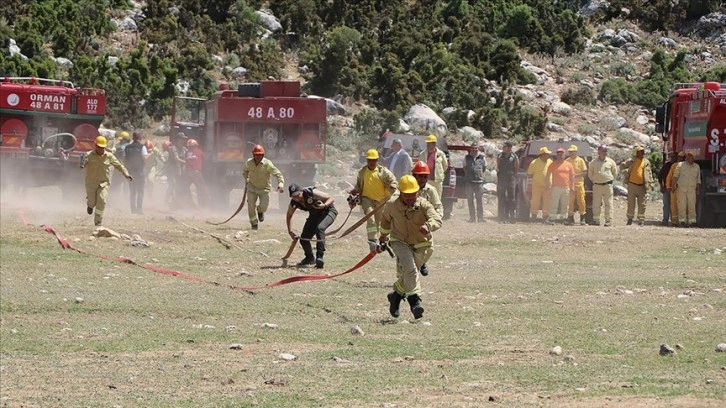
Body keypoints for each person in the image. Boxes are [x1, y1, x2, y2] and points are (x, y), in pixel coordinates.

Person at [379, 175, 442, 320]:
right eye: (407, 195)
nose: (410, 198)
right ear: (400, 193)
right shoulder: (392, 205)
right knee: (411, 270)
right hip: (400, 242)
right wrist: (383, 236)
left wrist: (429, 226)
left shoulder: (424, 204)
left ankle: (395, 296)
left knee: (409, 274)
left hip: (422, 244)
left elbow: (437, 219)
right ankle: (415, 303)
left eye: (413, 194)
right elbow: (385, 221)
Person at [348, 149, 398, 249]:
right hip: (367, 199)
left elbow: (393, 181)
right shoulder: (362, 172)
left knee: (380, 222)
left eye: (374, 160)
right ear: (367, 160)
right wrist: (354, 190)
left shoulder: (383, 172)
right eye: (369, 160)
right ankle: (372, 240)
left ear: (377, 160)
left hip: (381, 201)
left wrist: (391, 188)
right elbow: (359, 185)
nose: (371, 162)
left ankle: (381, 241)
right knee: (370, 217)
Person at [81, 135, 132, 226]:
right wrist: (81, 162)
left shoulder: (109, 156)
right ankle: (90, 205)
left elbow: (119, 166)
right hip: (91, 183)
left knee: (102, 200)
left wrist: (126, 174)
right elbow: (81, 166)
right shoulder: (88, 155)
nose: (100, 149)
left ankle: (98, 222)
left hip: (104, 183)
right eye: (99, 147)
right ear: (95, 146)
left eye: (102, 147)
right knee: (92, 202)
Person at [286, 184, 338, 268]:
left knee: (320, 229)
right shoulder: (294, 202)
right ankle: (309, 258)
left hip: (328, 211)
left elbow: (331, 198)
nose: (296, 198)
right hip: (314, 215)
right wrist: (290, 230)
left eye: (297, 195)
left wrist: (324, 205)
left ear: (301, 191)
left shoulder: (311, 192)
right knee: (304, 238)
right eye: (293, 196)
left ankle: (319, 257)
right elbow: (289, 215)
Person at [411, 161, 442, 277]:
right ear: (414, 176)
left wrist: (434, 220)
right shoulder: (408, 188)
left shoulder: (431, 191)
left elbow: (438, 207)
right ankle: (408, 276)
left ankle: (421, 263)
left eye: (425, 176)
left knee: (429, 249)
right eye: (419, 176)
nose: (422, 179)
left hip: (424, 226)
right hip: (408, 225)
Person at [243, 144, 284, 230]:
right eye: (256, 155)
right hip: (252, 188)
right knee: (250, 206)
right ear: (253, 155)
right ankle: (254, 224)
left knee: (264, 206)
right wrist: (246, 179)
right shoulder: (249, 163)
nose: (258, 157)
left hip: (264, 188)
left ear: (263, 155)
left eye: (260, 155)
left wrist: (280, 184)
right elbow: (245, 171)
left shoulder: (267, 164)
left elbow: (278, 173)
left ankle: (260, 211)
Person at [587, 145, 618, 226]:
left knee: (608, 203)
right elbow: (590, 174)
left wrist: (609, 180)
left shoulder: (611, 162)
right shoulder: (593, 163)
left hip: (608, 186)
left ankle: (608, 220)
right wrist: (596, 180)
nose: (605, 153)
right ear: (599, 152)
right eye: (603, 151)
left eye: (606, 151)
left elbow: (615, 173)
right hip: (597, 186)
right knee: (596, 204)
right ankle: (596, 220)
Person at [623, 146, 654, 226]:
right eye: (640, 152)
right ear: (637, 153)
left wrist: (651, 183)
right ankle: (630, 219)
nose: (642, 153)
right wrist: (625, 172)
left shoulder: (646, 162)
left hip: (642, 186)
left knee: (642, 204)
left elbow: (649, 173)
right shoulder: (632, 161)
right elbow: (622, 166)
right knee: (631, 203)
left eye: (643, 152)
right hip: (632, 185)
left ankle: (641, 220)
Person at [545, 148, 575, 225]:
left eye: (561, 154)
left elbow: (572, 176)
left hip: (566, 188)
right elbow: (548, 175)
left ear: (564, 155)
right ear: (556, 155)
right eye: (558, 154)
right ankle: (552, 218)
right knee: (554, 203)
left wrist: (572, 186)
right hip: (555, 187)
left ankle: (564, 219)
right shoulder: (553, 164)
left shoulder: (569, 165)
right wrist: (547, 184)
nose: (560, 155)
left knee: (565, 204)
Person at [672, 151, 701, 227]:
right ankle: (682, 222)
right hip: (681, 189)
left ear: (693, 158)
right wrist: (673, 185)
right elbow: (675, 176)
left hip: (691, 190)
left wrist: (698, 189)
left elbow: (698, 180)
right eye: (688, 156)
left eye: (690, 156)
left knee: (692, 206)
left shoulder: (697, 167)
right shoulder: (680, 165)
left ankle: (692, 222)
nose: (688, 157)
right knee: (682, 206)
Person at [124, 132, 149, 214]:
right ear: (140, 138)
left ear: (133, 137)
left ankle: (132, 209)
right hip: (140, 172)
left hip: (130, 172)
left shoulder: (127, 147)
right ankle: (139, 208)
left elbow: (125, 159)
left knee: (132, 191)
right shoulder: (142, 147)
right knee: (140, 191)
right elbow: (145, 158)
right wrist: (151, 154)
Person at [418, 134, 448, 199]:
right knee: (425, 198)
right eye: (427, 143)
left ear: (434, 144)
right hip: (426, 180)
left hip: (437, 181)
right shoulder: (422, 154)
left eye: (430, 143)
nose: (428, 145)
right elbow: (419, 166)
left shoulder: (441, 154)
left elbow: (445, 166)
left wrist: (438, 173)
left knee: (437, 199)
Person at [527, 147, 552, 221]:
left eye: (548, 154)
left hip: (547, 186)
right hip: (536, 186)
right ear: (542, 154)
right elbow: (530, 174)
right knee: (535, 201)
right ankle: (534, 216)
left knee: (547, 201)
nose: (548, 156)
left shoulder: (550, 162)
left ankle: (546, 216)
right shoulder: (534, 162)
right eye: (547, 154)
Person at [497, 140, 519, 223]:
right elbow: (498, 165)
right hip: (502, 178)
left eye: (505, 147)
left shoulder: (514, 156)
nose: (503, 148)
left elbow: (516, 167)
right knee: (501, 198)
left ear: (510, 148)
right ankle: (501, 217)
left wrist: (513, 176)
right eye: (503, 147)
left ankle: (512, 217)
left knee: (511, 198)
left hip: (510, 178)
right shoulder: (500, 155)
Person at [464, 142, 486, 223]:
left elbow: (484, 168)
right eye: (473, 148)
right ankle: (472, 218)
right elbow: (464, 167)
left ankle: (481, 218)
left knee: (479, 200)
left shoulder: (482, 157)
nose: (474, 150)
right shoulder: (467, 157)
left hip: (478, 182)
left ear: (478, 149)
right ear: (471, 149)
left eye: (476, 148)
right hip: (469, 182)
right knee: (470, 200)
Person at [565, 144, 588, 225]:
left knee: (581, 201)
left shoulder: (580, 160)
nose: (571, 153)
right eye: (570, 152)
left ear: (576, 152)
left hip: (579, 184)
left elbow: (584, 172)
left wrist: (575, 176)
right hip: (570, 184)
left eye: (573, 152)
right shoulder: (567, 161)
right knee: (570, 201)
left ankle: (582, 218)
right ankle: (570, 218)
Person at [185, 138, 210, 209]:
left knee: (185, 189)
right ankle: (202, 206)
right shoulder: (199, 152)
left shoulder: (186, 153)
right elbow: (206, 158)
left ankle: (189, 205)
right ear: (196, 146)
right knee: (202, 190)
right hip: (196, 173)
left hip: (188, 173)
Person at [167, 132, 188, 206]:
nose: (183, 141)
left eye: (184, 139)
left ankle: (177, 203)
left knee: (179, 186)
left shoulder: (184, 149)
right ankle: (167, 202)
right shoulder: (173, 148)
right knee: (172, 185)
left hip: (179, 171)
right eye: (182, 139)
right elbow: (176, 159)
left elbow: (188, 156)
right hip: (172, 171)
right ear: (178, 139)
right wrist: (187, 163)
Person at [657, 152, 679, 226]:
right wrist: (661, 186)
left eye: (674, 157)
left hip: (676, 189)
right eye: (671, 157)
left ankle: (674, 221)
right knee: (666, 204)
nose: (673, 158)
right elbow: (660, 176)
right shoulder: (666, 166)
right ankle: (665, 220)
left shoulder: (679, 166)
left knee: (675, 205)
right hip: (667, 189)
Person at [665, 151, 686, 226]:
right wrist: (668, 186)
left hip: (683, 190)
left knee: (683, 205)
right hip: (675, 189)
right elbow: (669, 177)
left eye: (682, 157)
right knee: (674, 205)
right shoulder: (674, 166)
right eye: (680, 157)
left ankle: (682, 221)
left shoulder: (688, 166)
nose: (681, 159)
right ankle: (674, 222)